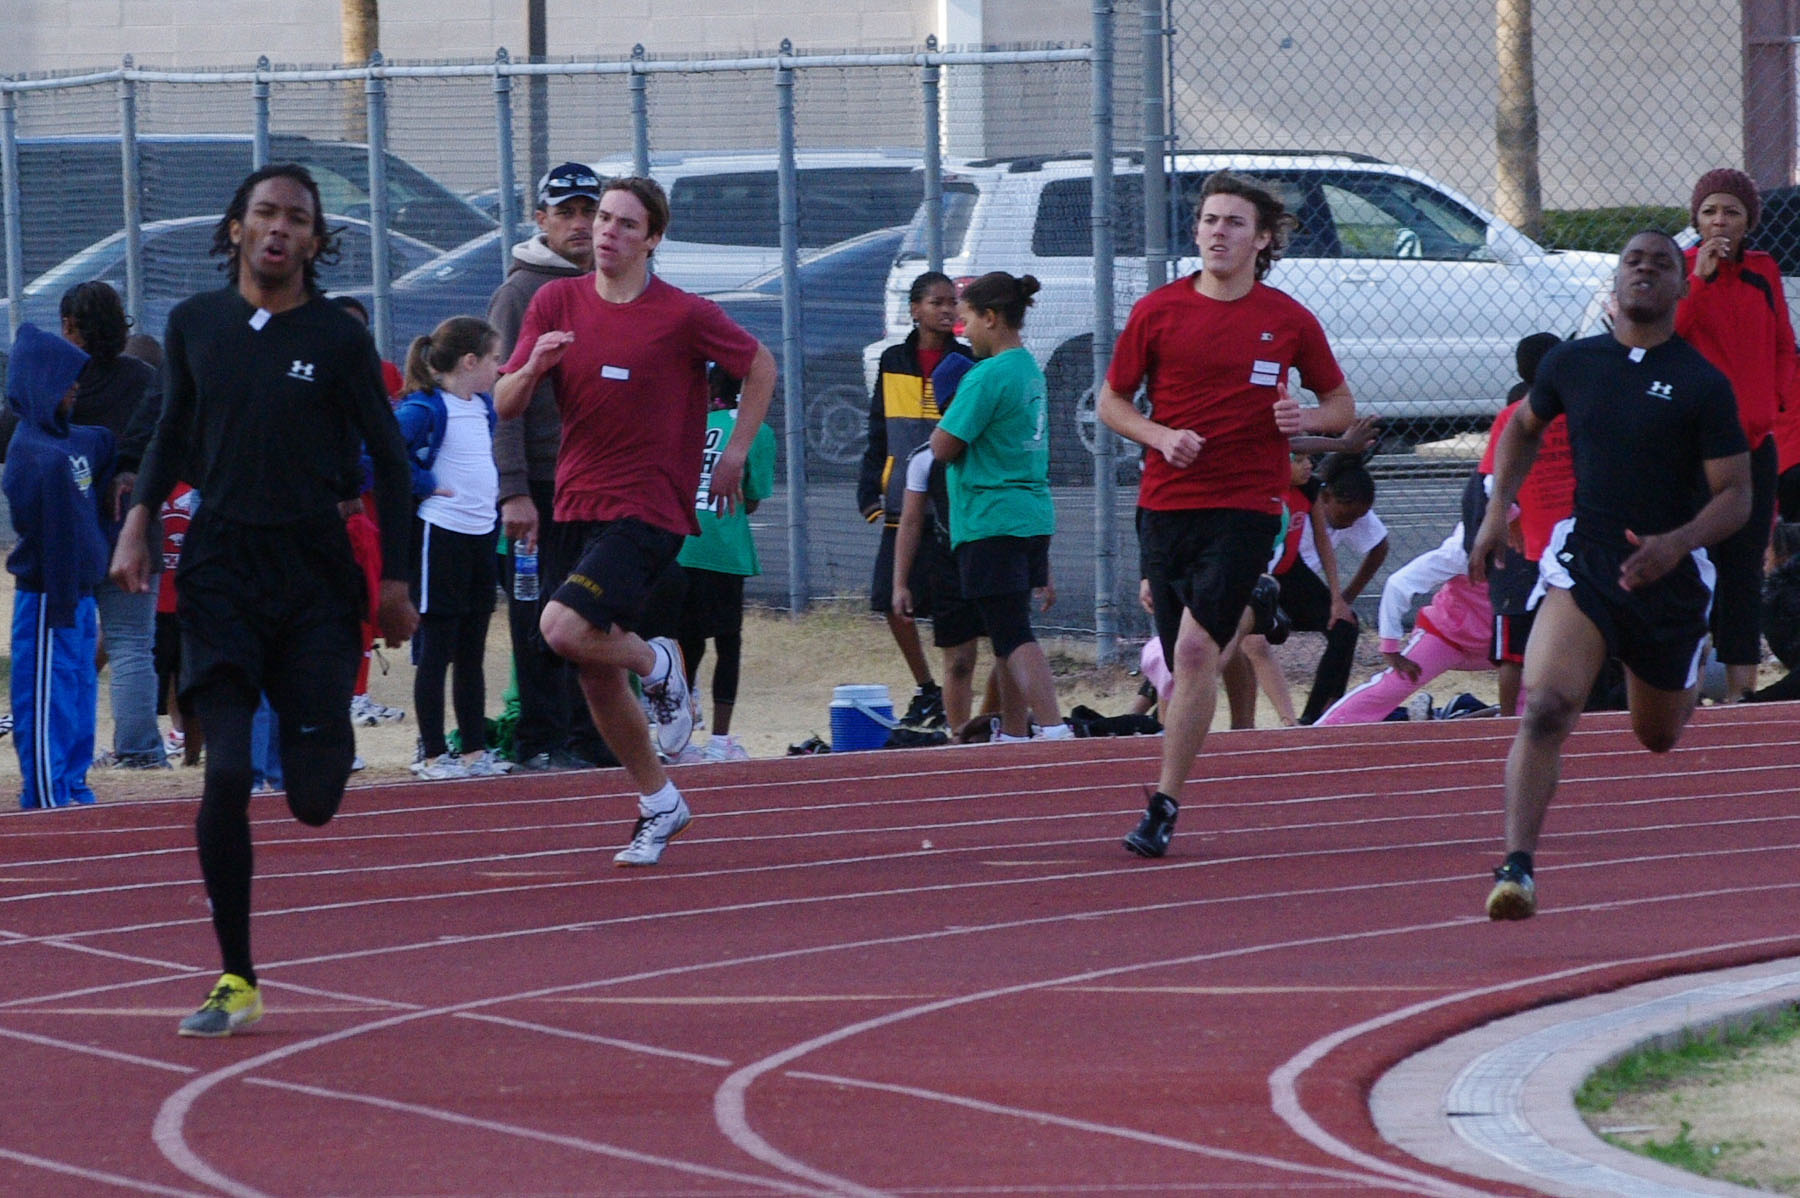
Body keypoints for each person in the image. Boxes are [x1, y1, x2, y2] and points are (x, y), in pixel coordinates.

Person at [110, 163, 419, 1035]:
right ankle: (236, 977)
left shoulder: (337, 340)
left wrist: (395, 583)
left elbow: (392, 463)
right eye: (265, 213)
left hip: (315, 574)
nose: (279, 228)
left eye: (297, 218)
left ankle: (323, 729)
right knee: (227, 774)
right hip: (220, 569)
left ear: (316, 241)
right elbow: (170, 431)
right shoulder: (194, 323)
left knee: (314, 798)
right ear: (236, 229)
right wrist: (136, 523)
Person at [495, 175, 775, 866]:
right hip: (574, 502)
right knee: (591, 664)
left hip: (649, 504)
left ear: (652, 239)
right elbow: (504, 402)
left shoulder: (682, 314)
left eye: (624, 223)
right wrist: (533, 367)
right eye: (602, 220)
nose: (606, 233)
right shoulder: (555, 300)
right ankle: (660, 802)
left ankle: (658, 662)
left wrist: (736, 451)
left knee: (561, 628)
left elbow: (760, 365)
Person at [1470, 229, 1750, 921]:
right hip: (1587, 561)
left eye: (1661, 263)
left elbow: (1736, 496)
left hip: (1670, 576)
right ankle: (1517, 868)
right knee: (1545, 708)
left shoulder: (1703, 384)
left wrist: (1676, 544)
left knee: (1657, 736)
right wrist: (1497, 509)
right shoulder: (1572, 362)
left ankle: (1690, 666)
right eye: (1633, 261)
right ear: (1616, 281)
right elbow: (1523, 428)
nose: (1645, 270)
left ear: (1680, 286)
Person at [1098, 171, 1354, 858]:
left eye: (1234, 222)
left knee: (1192, 653)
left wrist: (1304, 419)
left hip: (1245, 507)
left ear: (1262, 239)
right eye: (1210, 220)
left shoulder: (1288, 319)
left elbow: (1340, 407)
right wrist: (1159, 436)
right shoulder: (1158, 311)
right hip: (1165, 506)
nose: (1218, 232)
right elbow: (1112, 401)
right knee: (1185, 665)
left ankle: (1163, 804)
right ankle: (1253, 616)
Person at [488, 161, 610, 772]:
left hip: (601, 483)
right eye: (566, 213)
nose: (580, 224)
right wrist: (513, 490)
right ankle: (541, 739)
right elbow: (502, 397)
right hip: (541, 485)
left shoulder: (614, 286)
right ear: (541, 219)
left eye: (590, 211)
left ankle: (592, 735)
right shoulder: (520, 293)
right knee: (538, 614)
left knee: (593, 613)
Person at [928, 272, 1072, 742]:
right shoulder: (1028, 369)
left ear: (991, 318)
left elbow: (943, 446)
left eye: (967, 319)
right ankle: (1013, 731)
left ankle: (1053, 727)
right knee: (1009, 632)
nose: (963, 330)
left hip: (992, 519)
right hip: (1029, 514)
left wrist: (943, 420)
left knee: (1012, 635)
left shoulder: (986, 375)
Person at [1674, 169, 1794, 700]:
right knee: (1692, 566)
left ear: (1748, 222)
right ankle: (1680, 684)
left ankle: (1740, 694)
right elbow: (1668, 336)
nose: (1720, 221)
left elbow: (1782, 342)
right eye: (1710, 212)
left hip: (1754, 445)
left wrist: (1777, 402)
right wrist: (1699, 280)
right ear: (1696, 220)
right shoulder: (1680, 270)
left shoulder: (1764, 270)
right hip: (1695, 450)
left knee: (1744, 570)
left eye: (1731, 212)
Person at [57, 282, 169, 770]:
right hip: (133, 528)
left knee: (63, 645)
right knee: (131, 644)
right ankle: (140, 749)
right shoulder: (144, 378)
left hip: (67, 532)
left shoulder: (57, 379)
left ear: (69, 325)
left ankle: (59, 747)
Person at [397, 316, 510, 780]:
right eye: (495, 359)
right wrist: (424, 483)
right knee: (437, 649)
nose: (500, 368)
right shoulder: (424, 408)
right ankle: (432, 754)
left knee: (471, 651)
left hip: (481, 537)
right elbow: (380, 453)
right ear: (469, 361)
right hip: (440, 534)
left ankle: (474, 751)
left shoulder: (483, 407)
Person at [5, 324, 112, 809]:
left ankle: (73, 784)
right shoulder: (35, 456)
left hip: (80, 596)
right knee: (47, 698)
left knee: (79, 694)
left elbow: (104, 443)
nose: (75, 387)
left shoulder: (75, 443)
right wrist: (66, 599)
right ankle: (46, 795)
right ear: (41, 383)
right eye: (65, 379)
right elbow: (49, 535)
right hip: (50, 598)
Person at [859, 271, 971, 732]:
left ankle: (960, 698)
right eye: (937, 302)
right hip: (901, 501)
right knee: (890, 600)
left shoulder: (967, 361)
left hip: (949, 503)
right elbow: (879, 429)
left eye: (953, 302)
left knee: (956, 609)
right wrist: (870, 488)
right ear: (915, 309)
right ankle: (928, 689)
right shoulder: (893, 360)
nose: (948, 310)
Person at [664, 365, 777, 763]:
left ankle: (676, 738)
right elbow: (753, 497)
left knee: (685, 644)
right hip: (724, 548)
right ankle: (720, 741)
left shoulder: (689, 425)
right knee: (728, 642)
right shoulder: (757, 432)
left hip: (681, 544)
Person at [1284, 453, 1388, 724]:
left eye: (1359, 517)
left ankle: (1322, 714)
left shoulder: (1353, 508)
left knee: (1344, 627)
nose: (1351, 523)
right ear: (1326, 497)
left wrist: (1345, 596)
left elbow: (1380, 546)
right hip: (1281, 573)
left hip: (1301, 581)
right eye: (1347, 514)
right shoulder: (1305, 498)